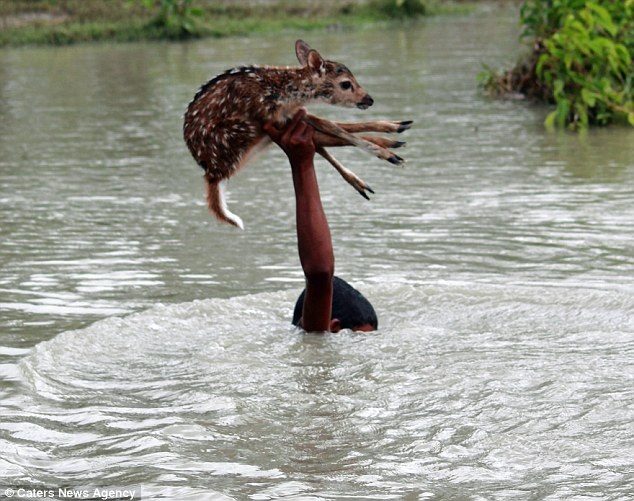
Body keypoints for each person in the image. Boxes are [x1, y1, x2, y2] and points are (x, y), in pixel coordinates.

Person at [263, 109, 378, 333]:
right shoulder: (317, 336)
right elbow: (319, 274)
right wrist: (302, 164)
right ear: (333, 327)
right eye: (359, 339)